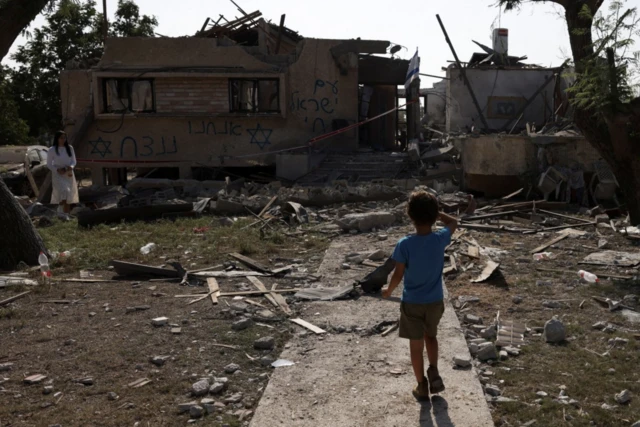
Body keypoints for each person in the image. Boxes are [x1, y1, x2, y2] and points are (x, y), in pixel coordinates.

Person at [381, 191, 458, 401]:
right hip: (434, 302)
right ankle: (433, 370)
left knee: (416, 346)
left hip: (412, 303)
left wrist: (388, 291)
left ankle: (421, 385)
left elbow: (398, 274)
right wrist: (437, 214)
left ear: (410, 216)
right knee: (431, 337)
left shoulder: (404, 244)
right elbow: (454, 222)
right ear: (434, 216)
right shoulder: (440, 238)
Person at [46, 131, 79, 214]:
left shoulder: (69, 148)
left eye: (64, 138)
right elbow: (49, 164)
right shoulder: (52, 149)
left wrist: (71, 167)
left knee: (69, 194)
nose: (63, 139)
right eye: (61, 138)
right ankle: (60, 211)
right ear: (57, 138)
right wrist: (57, 170)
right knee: (63, 191)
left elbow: (73, 161)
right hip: (58, 174)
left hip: (68, 173)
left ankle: (66, 213)